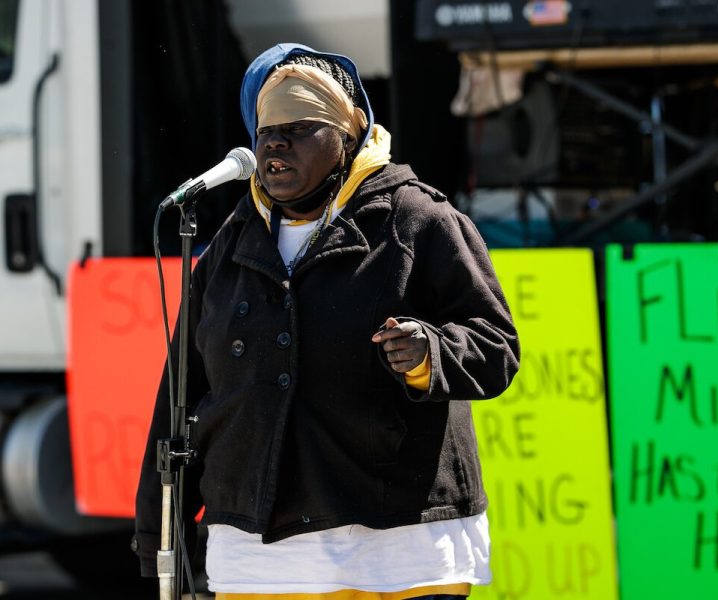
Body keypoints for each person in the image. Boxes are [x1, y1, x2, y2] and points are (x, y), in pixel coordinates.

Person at [134, 43, 520, 600]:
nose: (276, 145)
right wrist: (159, 538)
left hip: (397, 546)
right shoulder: (228, 246)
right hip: (257, 552)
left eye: (299, 128)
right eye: (267, 132)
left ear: (349, 137)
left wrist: (429, 355)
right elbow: (182, 394)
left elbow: (495, 343)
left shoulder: (418, 220)